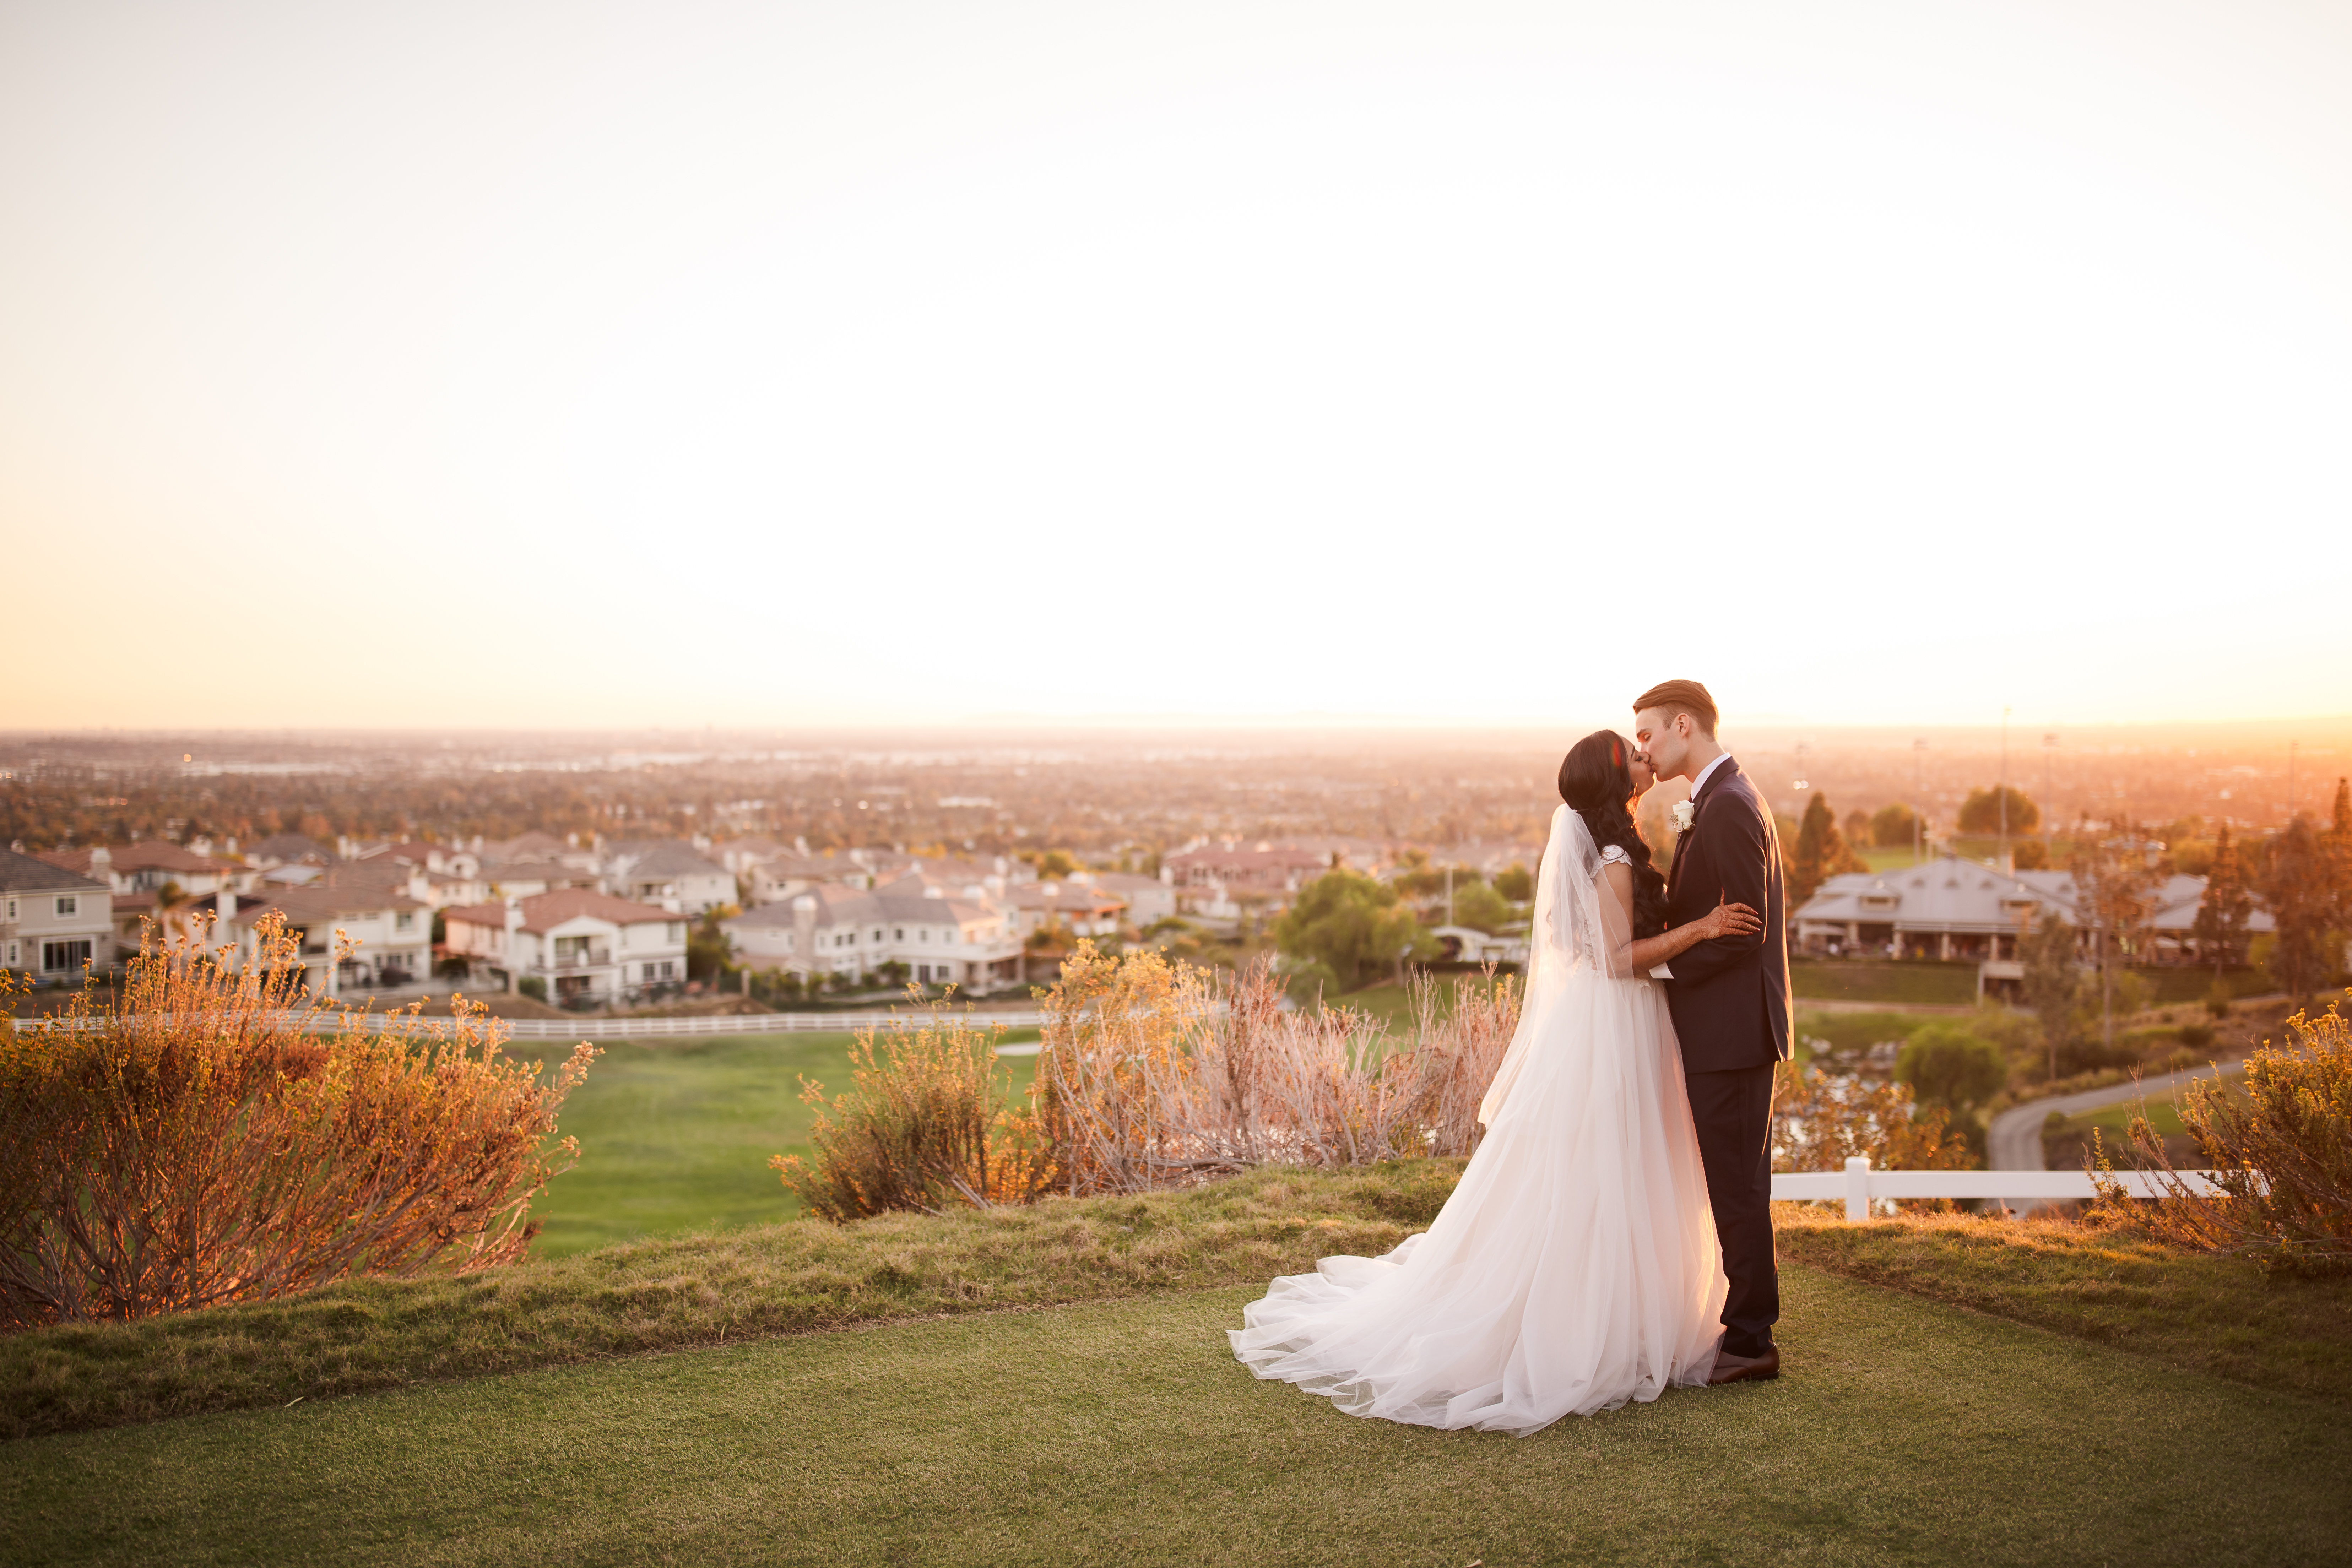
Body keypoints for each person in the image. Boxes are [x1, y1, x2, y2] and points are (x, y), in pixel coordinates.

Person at [1227, 728, 1764, 1434]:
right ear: (1613, 783)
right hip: (1619, 1019)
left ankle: (1631, 1310)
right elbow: (1611, 958)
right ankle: (1591, 1324)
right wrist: (1700, 929)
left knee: (1625, 1166)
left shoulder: (1614, 843)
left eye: (1642, 747)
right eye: (1630, 756)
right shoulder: (1607, 855)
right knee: (1607, 1166)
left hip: (1625, 1022)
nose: (1644, 758)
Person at [1630, 678, 1793, 1385]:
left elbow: (1740, 933)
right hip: (1727, 1029)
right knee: (1734, 1180)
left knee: (1735, 1186)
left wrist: (1660, 975)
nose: (1643, 747)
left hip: (1729, 1033)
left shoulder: (1726, 808)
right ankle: (1745, 1323)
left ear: (1683, 727)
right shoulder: (1726, 798)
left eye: (1646, 734)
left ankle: (1752, 1338)